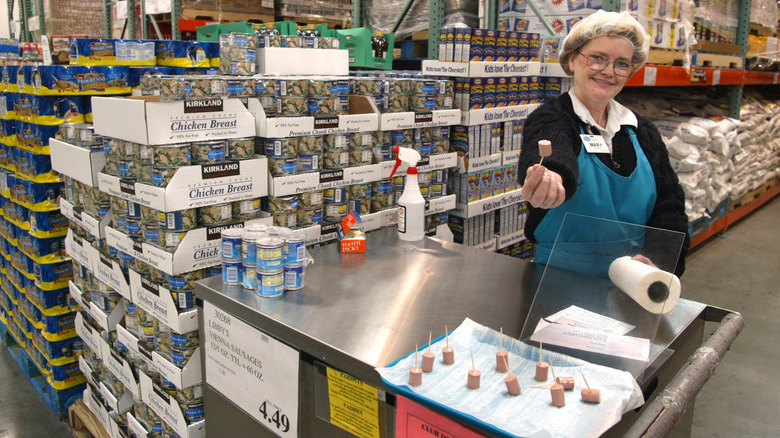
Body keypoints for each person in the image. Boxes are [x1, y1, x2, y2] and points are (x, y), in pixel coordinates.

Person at [518, 11, 690, 276]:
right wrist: (550, 178)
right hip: (556, 281)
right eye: (598, 58)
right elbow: (554, 154)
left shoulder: (642, 132)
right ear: (573, 59)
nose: (608, 71)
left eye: (621, 63)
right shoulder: (552, 119)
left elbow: (669, 206)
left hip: (632, 281)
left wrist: (660, 262)